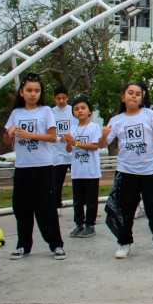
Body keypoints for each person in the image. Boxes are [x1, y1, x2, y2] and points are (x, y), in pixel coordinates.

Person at [99, 83, 153, 260]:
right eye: (130, 93)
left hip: (150, 172)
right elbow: (102, 144)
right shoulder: (116, 120)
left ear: (142, 97)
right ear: (123, 97)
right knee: (126, 210)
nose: (133, 96)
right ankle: (124, 243)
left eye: (137, 94)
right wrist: (103, 134)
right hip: (126, 172)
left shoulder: (150, 115)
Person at [3, 73, 66, 260]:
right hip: (22, 167)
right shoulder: (16, 113)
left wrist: (30, 135)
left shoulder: (46, 111)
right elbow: (7, 140)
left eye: (37, 91)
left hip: (43, 166)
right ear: (21, 92)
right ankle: (23, 245)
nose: (33, 94)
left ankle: (56, 245)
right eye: (29, 90)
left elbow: (53, 137)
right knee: (21, 206)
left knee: (46, 207)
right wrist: (10, 131)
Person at [63, 96, 102, 238]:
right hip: (77, 171)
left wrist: (76, 143)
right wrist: (68, 142)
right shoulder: (73, 128)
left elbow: (94, 146)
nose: (80, 111)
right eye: (76, 109)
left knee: (91, 200)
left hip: (91, 171)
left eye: (83, 108)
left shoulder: (94, 127)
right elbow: (69, 150)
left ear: (90, 111)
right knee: (77, 200)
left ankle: (90, 225)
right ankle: (78, 224)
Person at [51, 85, 77, 213]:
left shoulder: (73, 111)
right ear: (54, 99)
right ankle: (57, 206)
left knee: (78, 180)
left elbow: (78, 128)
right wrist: (58, 139)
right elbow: (48, 133)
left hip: (72, 152)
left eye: (63, 98)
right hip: (57, 152)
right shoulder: (51, 112)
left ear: (67, 97)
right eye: (58, 98)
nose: (61, 101)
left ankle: (80, 203)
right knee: (57, 182)